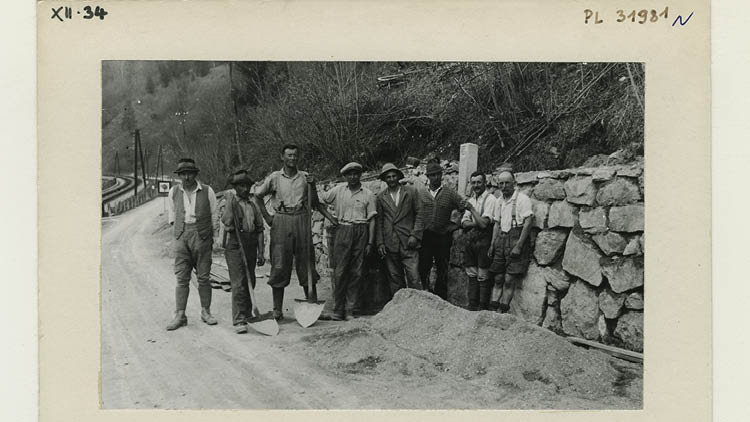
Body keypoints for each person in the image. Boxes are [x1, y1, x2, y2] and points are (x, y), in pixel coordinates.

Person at [254, 144, 338, 320]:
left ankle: (312, 305)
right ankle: (277, 310)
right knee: (279, 263)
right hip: (282, 220)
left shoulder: (305, 177)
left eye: (295, 156)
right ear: (282, 157)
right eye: (289, 155)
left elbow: (314, 202)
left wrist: (313, 186)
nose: (292, 159)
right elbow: (258, 196)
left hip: (301, 218)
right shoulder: (275, 178)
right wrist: (268, 218)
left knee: (306, 262)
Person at [166, 158, 218, 330]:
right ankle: (180, 314)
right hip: (181, 236)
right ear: (179, 176)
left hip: (202, 236)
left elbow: (214, 216)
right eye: (183, 174)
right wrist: (178, 237)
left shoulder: (208, 191)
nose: (187, 177)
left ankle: (206, 312)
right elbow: (172, 217)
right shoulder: (173, 192)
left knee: (203, 277)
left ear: (195, 174)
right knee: (182, 278)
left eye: (190, 173)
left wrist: (211, 237)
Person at [320, 162, 377, 321]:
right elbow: (320, 201)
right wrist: (330, 217)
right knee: (340, 272)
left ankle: (350, 309)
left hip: (361, 230)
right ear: (345, 176)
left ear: (360, 175)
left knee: (357, 272)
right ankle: (338, 310)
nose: (353, 177)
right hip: (343, 230)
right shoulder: (338, 190)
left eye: (356, 174)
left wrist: (370, 242)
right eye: (349, 174)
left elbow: (372, 219)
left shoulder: (368, 194)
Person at [221, 173, 266, 334]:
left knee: (250, 280)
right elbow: (226, 221)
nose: (245, 189)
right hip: (234, 245)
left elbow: (260, 229)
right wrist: (229, 204)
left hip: (250, 244)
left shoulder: (253, 205)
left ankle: (248, 312)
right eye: (241, 186)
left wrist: (261, 252)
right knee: (238, 282)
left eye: (247, 186)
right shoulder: (230, 203)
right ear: (235, 188)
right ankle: (239, 319)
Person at [487, 170, 534, 313]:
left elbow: (528, 222)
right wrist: (492, 244)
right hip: (501, 241)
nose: (504, 186)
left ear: (514, 183)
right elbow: (496, 223)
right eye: (501, 183)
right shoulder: (498, 201)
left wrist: (519, 246)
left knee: (509, 279)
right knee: (498, 278)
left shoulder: (522, 199)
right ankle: (493, 311)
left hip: (515, 240)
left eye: (507, 182)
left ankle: (503, 312)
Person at [418, 161, 467, 300]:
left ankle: (441, 299)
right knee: (423, 267)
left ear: (441, 175)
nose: (435, 178)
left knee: (442, 268)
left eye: (437, 174)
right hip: (425, 236)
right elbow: (416, 212)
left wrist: (455, 224)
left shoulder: (450, 193)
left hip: (442, 236)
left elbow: (463, 207)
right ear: (428, 176)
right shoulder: (422, 193)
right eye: (431, 175)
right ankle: (424, 296)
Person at [375, 163, 425, 295]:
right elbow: (379, 221)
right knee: (395, 279)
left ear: (398, 177)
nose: (391, 179)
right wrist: (380, 242)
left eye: (393, 176)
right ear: (384, 179)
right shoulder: (381, 197)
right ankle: (399, 309)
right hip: (390, 242)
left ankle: (418, 307)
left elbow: (420, 214)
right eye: (388, 177)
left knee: (414, 277)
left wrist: (415, 235)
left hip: (408, 241)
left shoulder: (411, 192)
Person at [461, 171, 497, 311]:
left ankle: (482, 308)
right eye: (473, 182)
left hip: (484, 241)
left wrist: (472, 211)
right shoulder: (471, 199)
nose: (476, 185)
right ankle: (472, 305)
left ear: (485, 183)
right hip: (471, 241)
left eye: (478, 182)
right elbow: (464, 223)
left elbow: (484, 225)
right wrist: (478, 221)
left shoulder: (490, 199)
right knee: (471, 273)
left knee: (483, 275)